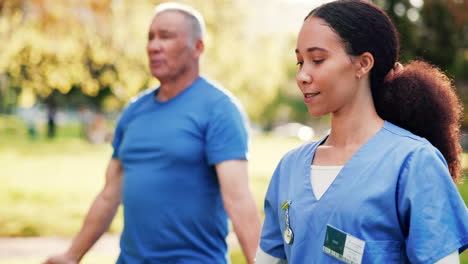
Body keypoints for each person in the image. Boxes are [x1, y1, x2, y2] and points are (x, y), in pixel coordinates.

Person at [43, 2, 261, 264]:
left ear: (198, 47)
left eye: (166, 36)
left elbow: (238, 201)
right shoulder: (134, 111)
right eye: (150, 37)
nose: (153, 46)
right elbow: (109, 195)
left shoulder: (219, 110)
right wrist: (71, 255)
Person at [256, 1, 468, 263]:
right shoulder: (290, 167)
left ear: (363, 64)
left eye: (317, 60)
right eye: (300, 62)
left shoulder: (414, 163)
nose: (302, 76)